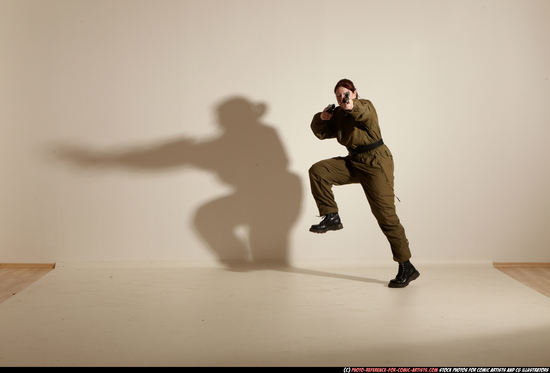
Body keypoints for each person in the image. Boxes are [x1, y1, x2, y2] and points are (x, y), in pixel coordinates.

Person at [308, 78, 419, 288]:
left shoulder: (365, 105)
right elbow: (321, 133)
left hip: (376, 163)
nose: (342, 98)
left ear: (355, 93)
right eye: (339, 96)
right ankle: (331, 216)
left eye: (346, 94)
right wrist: (322, 118)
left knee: (386, 216)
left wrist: (352, 105)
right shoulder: (339, 114)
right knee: (319, 171)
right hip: (355, 161)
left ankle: (407, 266)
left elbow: (362, 112)